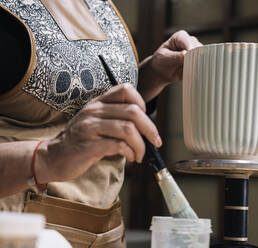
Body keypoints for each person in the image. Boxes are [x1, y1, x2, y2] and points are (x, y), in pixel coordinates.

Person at [0, 0, 202, 247]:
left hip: (105, 230)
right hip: (19, 232)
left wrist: (152, 75)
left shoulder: (99, 4)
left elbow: (80, 101)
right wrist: (49, 155)